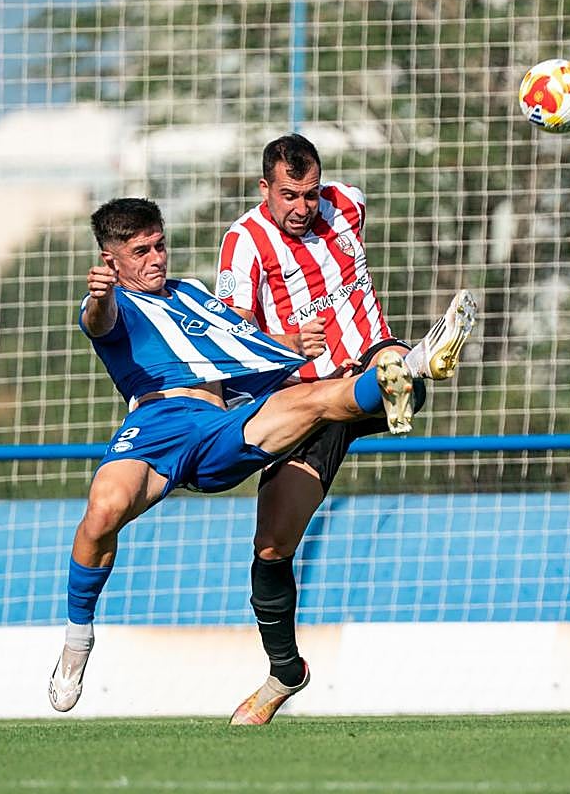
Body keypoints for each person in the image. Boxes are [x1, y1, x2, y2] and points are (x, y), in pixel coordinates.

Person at [48, 196, 476, 716]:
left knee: (315, 399)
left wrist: (287, 341)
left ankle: (408, 368)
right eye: (141, 251)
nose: (157, 258)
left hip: (223, 422)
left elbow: (240, 343)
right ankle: (77, 641)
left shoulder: (193, 295)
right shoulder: (112, 303)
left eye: (160, 244)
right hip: (155, 426)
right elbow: (99, 322)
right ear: (111, 260)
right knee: (103, 511)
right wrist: (98, 297)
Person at [215, 134, 476, 724]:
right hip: (304, 405)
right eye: (289, 195)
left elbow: (346, 226)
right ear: (264, 188)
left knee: (394, 370)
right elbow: (225, 340)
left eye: (310, 193)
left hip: (365, 363)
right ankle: (285, 673)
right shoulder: (244, 244)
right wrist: (280, 343)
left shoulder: (348, 204)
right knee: (272, 547)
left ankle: (408, 369)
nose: (303, 207)